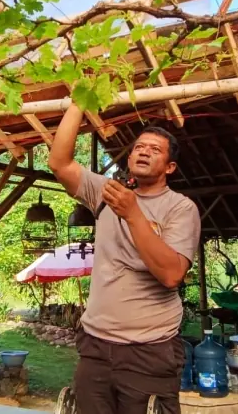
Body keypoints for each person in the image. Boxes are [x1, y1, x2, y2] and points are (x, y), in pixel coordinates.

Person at [49, 104, 201, 414]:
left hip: (149, 349)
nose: (144, 152)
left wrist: (133, 213)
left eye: (155, 150)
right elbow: (59, 163)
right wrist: (80, 101)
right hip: (94, 346)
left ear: (170, 167)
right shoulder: (106, 194)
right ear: (129, 158)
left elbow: (172, 275)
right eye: (139, 148)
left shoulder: (180, 209)